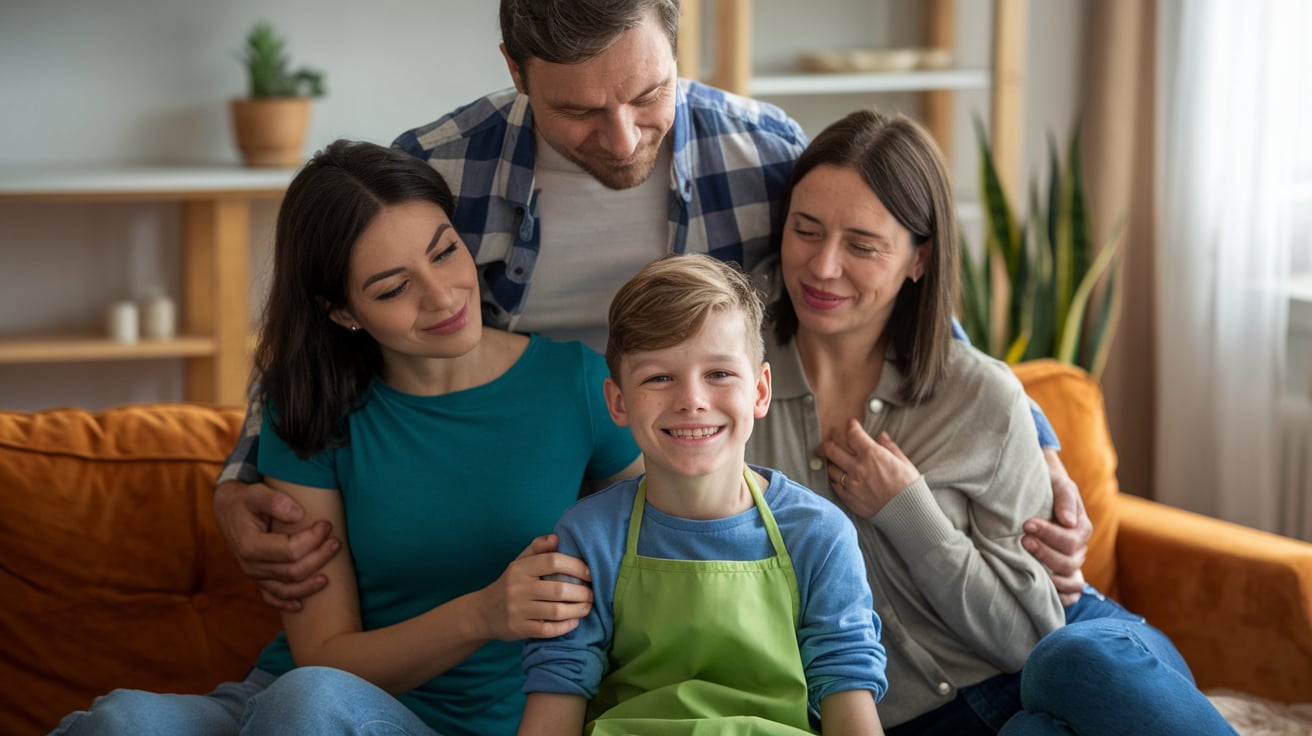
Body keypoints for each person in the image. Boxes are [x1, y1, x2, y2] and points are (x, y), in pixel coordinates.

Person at [213, 0, 1092, 625]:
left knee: (1091, 655)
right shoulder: (438, 168)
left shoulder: (763, 152)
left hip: (701, 489)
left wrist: (1039, 444)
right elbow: (323, 314)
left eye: (648, 97)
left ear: (677, 38)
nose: (625, 139)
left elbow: (891, 289)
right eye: (580, 112)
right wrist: (241, 477)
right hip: (541, 502)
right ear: (516, 74)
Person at [51, 140, 642, 736]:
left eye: (445, 253)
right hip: (302, 707)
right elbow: (325, 656)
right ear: (342, 312)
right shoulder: (312, 404)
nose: (441, 296)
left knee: (309, 705)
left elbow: (657, 567)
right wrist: (484, 613)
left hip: (444, 722)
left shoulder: (579, 385)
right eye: (392, 289)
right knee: (118, 721)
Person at [745, 108, 1237, 735]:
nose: (822, 266)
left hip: (1076, 659)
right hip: (916, 718)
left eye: (863, 246)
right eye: (805, 231)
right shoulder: (735, 395)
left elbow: (1029, 637)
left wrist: (906, 509)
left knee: (1075, 660)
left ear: (917, 260)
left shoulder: (981, 397)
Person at [518, 254, 886, 735]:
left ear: (759, 391)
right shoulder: (588, 538)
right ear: (618, 401)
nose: (692, 399)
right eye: (659, 377)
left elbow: (850, 705)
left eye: (719, 374)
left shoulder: (819, 535)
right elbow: (554, 707)